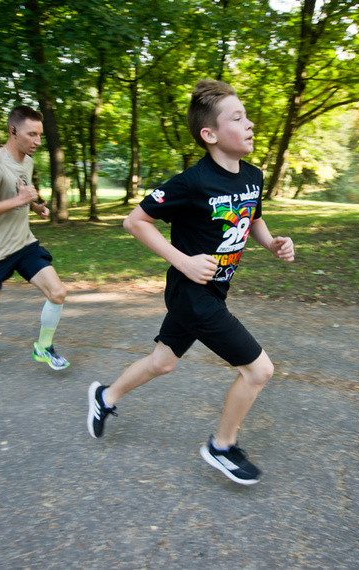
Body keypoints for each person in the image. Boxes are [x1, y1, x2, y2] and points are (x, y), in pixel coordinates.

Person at [86, 79, 294, 485]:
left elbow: (252, 216)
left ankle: (104, 397)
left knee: (163, 362)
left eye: (247, 115)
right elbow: (135, 221)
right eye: (238, 118)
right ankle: (222, 446)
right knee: (259, 370)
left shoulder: (252, 176)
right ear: (210, 134)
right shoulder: (191, 182)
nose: (250, 123)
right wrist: (181, 260)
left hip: (215, 289)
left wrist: (272, 243)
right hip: (192, 294)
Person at [0, 105, 70, 373]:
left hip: (23, 244)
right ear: (13, 131)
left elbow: (20, 193)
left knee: (57, 293)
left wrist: (35, 206)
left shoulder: (27, 161)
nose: (37, 141)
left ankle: (43, 347)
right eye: (31, 134)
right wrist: (19, 200)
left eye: (40, 135)